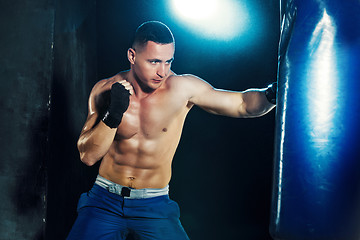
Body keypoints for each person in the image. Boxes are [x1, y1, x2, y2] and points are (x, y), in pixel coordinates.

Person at [67, 21, 276, 240]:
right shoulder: (104, 89)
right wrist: (114, 113)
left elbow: (243, 105)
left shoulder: (181, 88)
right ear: (132, 56)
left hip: (154, 205)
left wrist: (273, 93)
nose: (162, 71)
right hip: (104, 201)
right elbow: (88, 155)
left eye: (168, 62)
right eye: (154, 61)